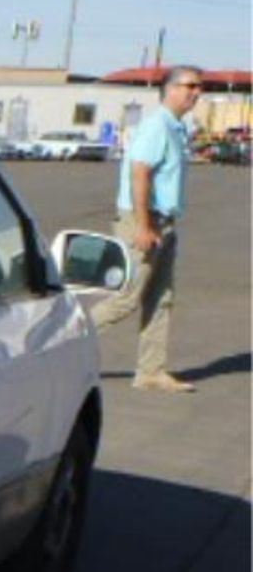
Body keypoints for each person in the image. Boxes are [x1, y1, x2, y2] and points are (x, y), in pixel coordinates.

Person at [94, 65, 205, 392]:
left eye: (200, 87)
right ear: (170, 89)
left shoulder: (177, 127)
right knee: (126, 299)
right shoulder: (157, 126)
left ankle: (151, 371)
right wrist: (143, 226)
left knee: (160, 297)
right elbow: (139, 173)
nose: (197, 92)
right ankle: (52, 343)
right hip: (144, 221)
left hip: (164, 222)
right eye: (190, 86)